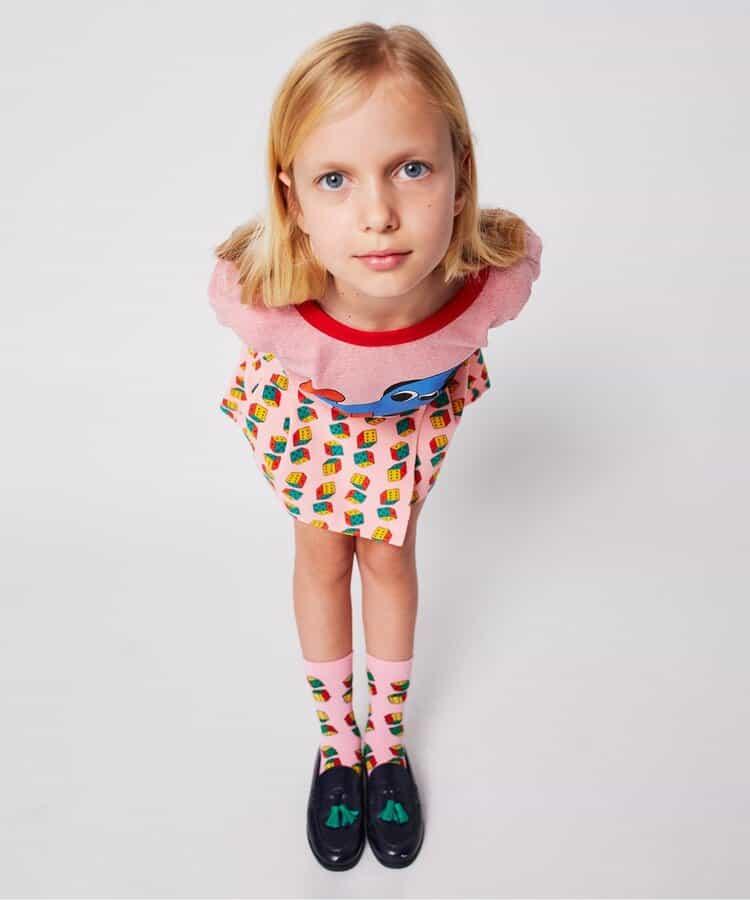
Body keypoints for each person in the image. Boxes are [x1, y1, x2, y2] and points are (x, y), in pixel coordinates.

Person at [207, 22, 543, 871]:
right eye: (336, 179)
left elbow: (519, 252)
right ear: (292, 200)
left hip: (405, 436)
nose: (379, 215)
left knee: (388, 557)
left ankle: (385, 744)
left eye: (412, 169)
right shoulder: (267, 307)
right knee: (323, 557)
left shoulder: (492, 287)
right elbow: (233, 286)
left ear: (460, 174)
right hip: (311, 428)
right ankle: (338, 745)